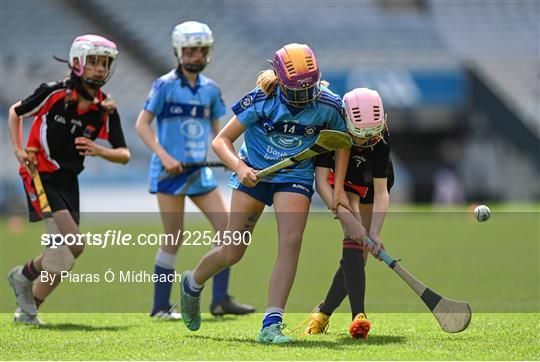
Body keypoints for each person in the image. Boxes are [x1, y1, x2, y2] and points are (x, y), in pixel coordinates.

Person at [178, 43, 350, 344]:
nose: (303, 98)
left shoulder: (329, 104)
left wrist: (337, 189)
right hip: (254, 174)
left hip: (294, 177)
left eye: (308, 89)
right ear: (281, 81)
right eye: (296, 92)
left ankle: (271, 324)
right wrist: (239, 167)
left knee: (291, 243)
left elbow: (341, 142)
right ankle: (192, 283)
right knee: (233, 251)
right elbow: (221, 141)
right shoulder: (260, 99)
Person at [7, 35, 131, 324]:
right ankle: (24, 280)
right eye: (94, 62)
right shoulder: (54, 93)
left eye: (105, 63)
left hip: (68, 182)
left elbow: (124, 153)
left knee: (66, 253)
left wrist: (100, 150)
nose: (100, 69)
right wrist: (17, 149)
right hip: (40, 175)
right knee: (71, 246)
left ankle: (27, 299)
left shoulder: (105, 108)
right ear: (77, 62)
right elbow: (16, 111)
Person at [135, 21, 255, 320]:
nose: (196, 56)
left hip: (199, 173)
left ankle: (220, 299)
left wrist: (236, 159)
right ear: (179, 51)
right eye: (190, 50)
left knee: (229, 231)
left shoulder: (211, 90)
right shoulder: (164, 85)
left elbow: (220, 135)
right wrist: (164, 156)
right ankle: (160, 307)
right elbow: (142, 125)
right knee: (174, 236)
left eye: (201, 50)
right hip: (168, 174)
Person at [303, 88, 394, 340]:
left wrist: (374, 232)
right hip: (341, 185)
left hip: (371, 181)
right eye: (361, 138)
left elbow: (381, 191)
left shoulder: (380, 135)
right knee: (353, 236)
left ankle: (322, 313)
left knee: (358, 257)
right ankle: (359, 316)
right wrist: (346, 218)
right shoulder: (331, 132)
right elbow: (321, 184)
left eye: (373, 137)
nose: (368, 143)